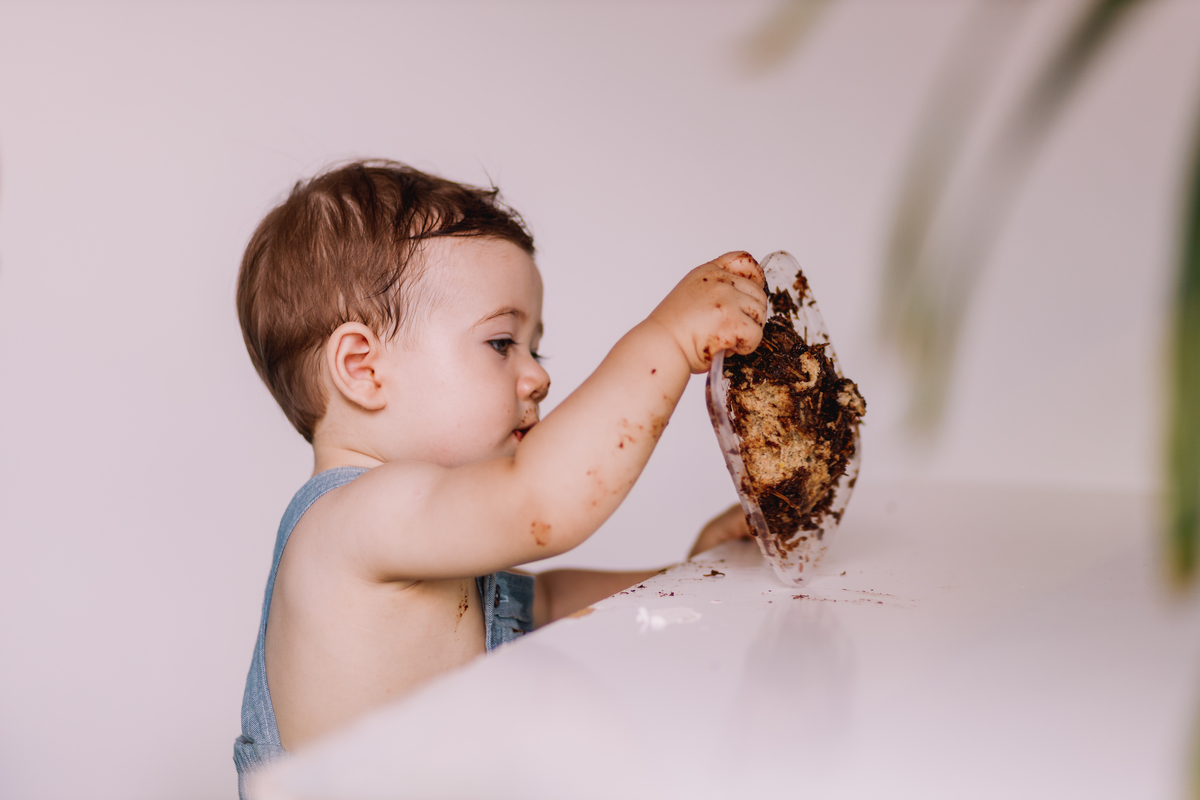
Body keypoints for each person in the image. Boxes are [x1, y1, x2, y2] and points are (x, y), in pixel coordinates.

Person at [232, 160, 765, 795]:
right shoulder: (354, 523)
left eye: (534, 347)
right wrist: (670, 340)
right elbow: (542, 502)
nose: (538, 376)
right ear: (364, 369)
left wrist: (692, 579)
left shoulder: (426, 540)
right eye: (501, 343)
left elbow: (546, 605)